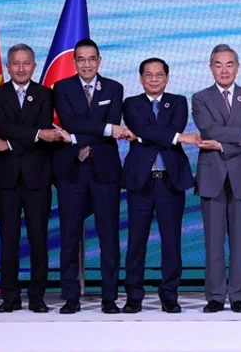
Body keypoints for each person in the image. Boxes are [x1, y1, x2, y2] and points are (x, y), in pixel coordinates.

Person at [0, 44, 70, 313]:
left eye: (26, 63)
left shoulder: (46, 94)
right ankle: (9, 297)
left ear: (34, 66)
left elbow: (45, 130)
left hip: (38, 178)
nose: (21, 68)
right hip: (6, 179)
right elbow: (4, 127)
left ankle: (37, 297)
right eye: (15, 63)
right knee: (8, 239)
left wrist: (10, 144)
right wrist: (32, 136)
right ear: (7, 66)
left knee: (38, 238)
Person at [53, 38, 133, 314]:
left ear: (99, 60)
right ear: (74, 62)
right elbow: (70, 121)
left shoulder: (114, 88)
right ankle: (70, 297)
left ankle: (109, 297)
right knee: (69, 234)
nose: (86, 64)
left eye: (91, 59)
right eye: (81, 59)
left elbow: (75, 128)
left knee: (108, 236)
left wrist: (74, 136)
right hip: (72, 170)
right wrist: (110, 129)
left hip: (105, 170)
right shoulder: (61, 88)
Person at [121, 57, 200, 314]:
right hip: (141, 183)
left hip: (170, 182)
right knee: (136, 242)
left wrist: (148, 135)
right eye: (148, 75)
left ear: (167, 78)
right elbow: (143, 127)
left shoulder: (178, 102)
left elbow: (157, 130)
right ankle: (134, 295)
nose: (154, 79)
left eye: (159, 75)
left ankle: (169, 295)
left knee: (171, 241)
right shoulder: (131, 103)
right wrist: (176, 137)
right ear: (141, 78)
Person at [191, 45, 241, 313]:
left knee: (240, 240)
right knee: (213, 240)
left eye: (229, 64)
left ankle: (238, 296)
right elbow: (209, 130)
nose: (224, 69)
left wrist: (222, 145)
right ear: (211, 67)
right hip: (212, 176)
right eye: (218, 64)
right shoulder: (199, 98)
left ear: (238, 66)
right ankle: (214, 295)